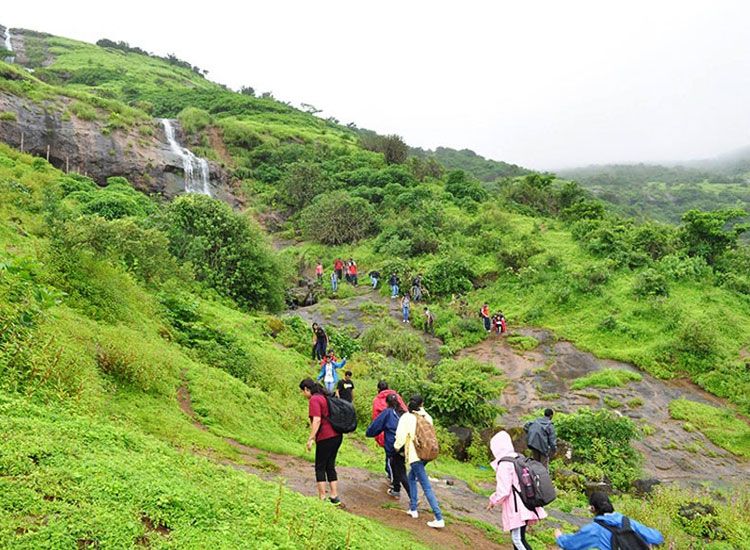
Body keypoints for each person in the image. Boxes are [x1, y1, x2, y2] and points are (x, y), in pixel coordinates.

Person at [487, 430, 548, 549]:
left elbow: (503, 491)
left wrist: (493, 500)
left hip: (517, 508)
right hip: (527, 503)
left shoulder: (504, 464)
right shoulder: (518, 457)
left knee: (517, 540)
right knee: (520, 538)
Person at [394, 395, 444, 529]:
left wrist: (396, 447)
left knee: (426, 486)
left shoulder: (406, 417)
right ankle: (413, 508)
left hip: (415, 454)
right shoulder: (427, 417)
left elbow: (400, 436)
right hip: (426, 454)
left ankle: (439, 517)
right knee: (411, 477)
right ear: (422, 404)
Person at [554, 491, 664, 550]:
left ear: (592, 508)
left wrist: (560, 537)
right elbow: (657, 537)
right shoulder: (627, 521)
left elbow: (572, 545)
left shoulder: (595, 529)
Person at [299, 378, 343, 505]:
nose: (303, 394)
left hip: (326, 436)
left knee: (320, 467)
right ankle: (334, 496)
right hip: (336, 435)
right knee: (330, 465)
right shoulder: (324, 396)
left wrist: (311, 438)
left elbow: (317, 420)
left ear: (307, 389)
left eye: (303, 391)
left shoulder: (314, 399)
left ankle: (322, 497)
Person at [366, 393, 411, 499]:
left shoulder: (388, 413)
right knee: (395, 466)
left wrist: (369, 433)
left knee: (400, 471)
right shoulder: (403, 414)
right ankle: (396, 489)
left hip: (394, 446)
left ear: (387, 403)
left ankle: (413, 496)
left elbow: (376, 426)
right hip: (406, 445)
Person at [372, 381, 407, 478]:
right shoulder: (397, 397)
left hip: (386, 432)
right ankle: (397, 477)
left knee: (389, 456)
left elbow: (376, 419)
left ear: (378, 389)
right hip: (401, 431)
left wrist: (375, 434)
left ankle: (393, 479)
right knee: (398, 456)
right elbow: (405, 411)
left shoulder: (377, 401)